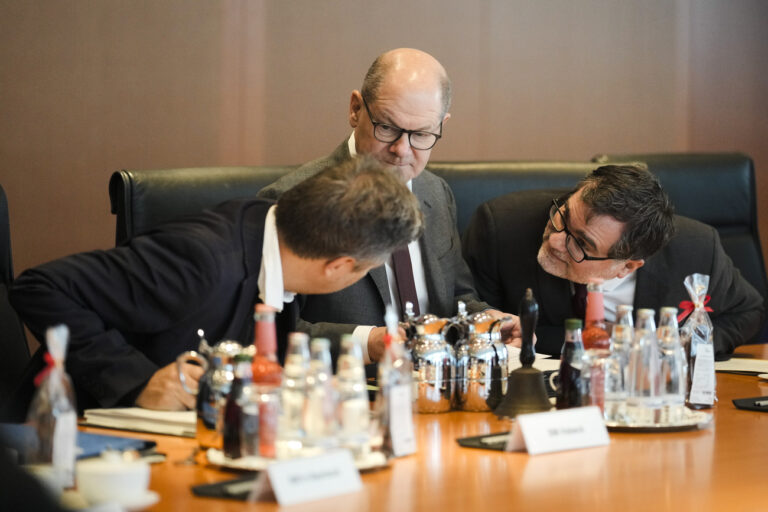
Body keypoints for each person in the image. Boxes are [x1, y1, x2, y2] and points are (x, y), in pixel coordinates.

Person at [8, 156, 424, 414]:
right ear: (338, 267)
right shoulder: (200, 262)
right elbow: (39, 286)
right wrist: (136, 381)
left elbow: (258, 336)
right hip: (73, 444)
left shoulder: (275, 236)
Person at [259, 48, 521, 363]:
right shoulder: (288, 202)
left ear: (441, 125)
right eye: (388, 128)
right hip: (351, 389)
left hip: (437, 385)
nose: (402, 149)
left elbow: (457, 296)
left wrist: (488, 320)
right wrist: (368, 343)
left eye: (421, 134)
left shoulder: (436, 192)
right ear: (356, 109)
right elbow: (269, 330)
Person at [463, 164, 765, 356]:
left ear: (628, 265)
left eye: (581, 243)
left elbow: (748, 312)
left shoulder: (697, 249)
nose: (555, 240)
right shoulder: (501, 229)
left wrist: (675, 345)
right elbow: (473, 319)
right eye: (562, 216)